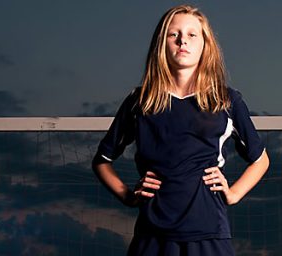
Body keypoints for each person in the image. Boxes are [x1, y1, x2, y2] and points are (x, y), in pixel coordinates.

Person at [92, 4, 270, 256]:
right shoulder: (141, 101)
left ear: (205, 45)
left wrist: (233, 194)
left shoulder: (226, 100)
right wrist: (128, 196)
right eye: (173, 34)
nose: (182, 40)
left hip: (209, 231)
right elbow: (102, 161)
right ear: (161, 44)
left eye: (191, 34)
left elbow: (261, 160)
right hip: (152, 234)